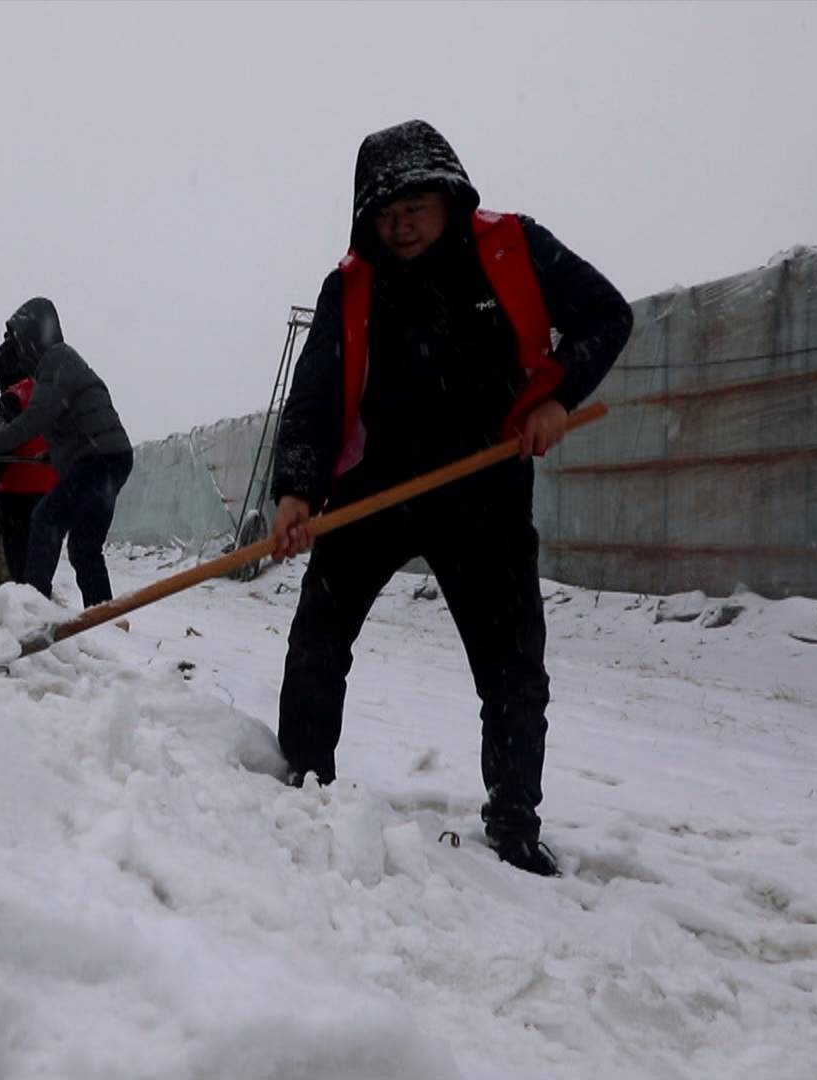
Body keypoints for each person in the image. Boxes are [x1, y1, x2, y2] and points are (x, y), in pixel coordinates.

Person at [268, 120, 632, 876]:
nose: (401, 227)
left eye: (415, 209)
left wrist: (557, 395)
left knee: (511, 668)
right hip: (372, 491)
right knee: (317, 643)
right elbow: (313, 397)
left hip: (485, 487)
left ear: (450, 198)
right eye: (385, 214)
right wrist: (297, 490)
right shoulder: (350, 285)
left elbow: (607, 314)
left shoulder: (513, 248)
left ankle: (514, 823)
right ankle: (304, 787)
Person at [0, 298, 133, 607]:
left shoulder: (55, 360)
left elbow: (35, 419)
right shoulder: (62, 363)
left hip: (98, 460)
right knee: (84, 547)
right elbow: (72, 424)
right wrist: (53, 455)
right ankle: (105, 617)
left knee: (46, 518)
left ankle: (33, 607)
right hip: (110, 458)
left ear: (31, 336)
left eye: (17, 341)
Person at [0, 338, 59, 585]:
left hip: (17, 494)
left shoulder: (12, 398)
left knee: (19, 566)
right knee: (41, 564)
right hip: (53, 491)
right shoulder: (52, 394)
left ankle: (25, 614)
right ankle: (41, 606)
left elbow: (1, 444)